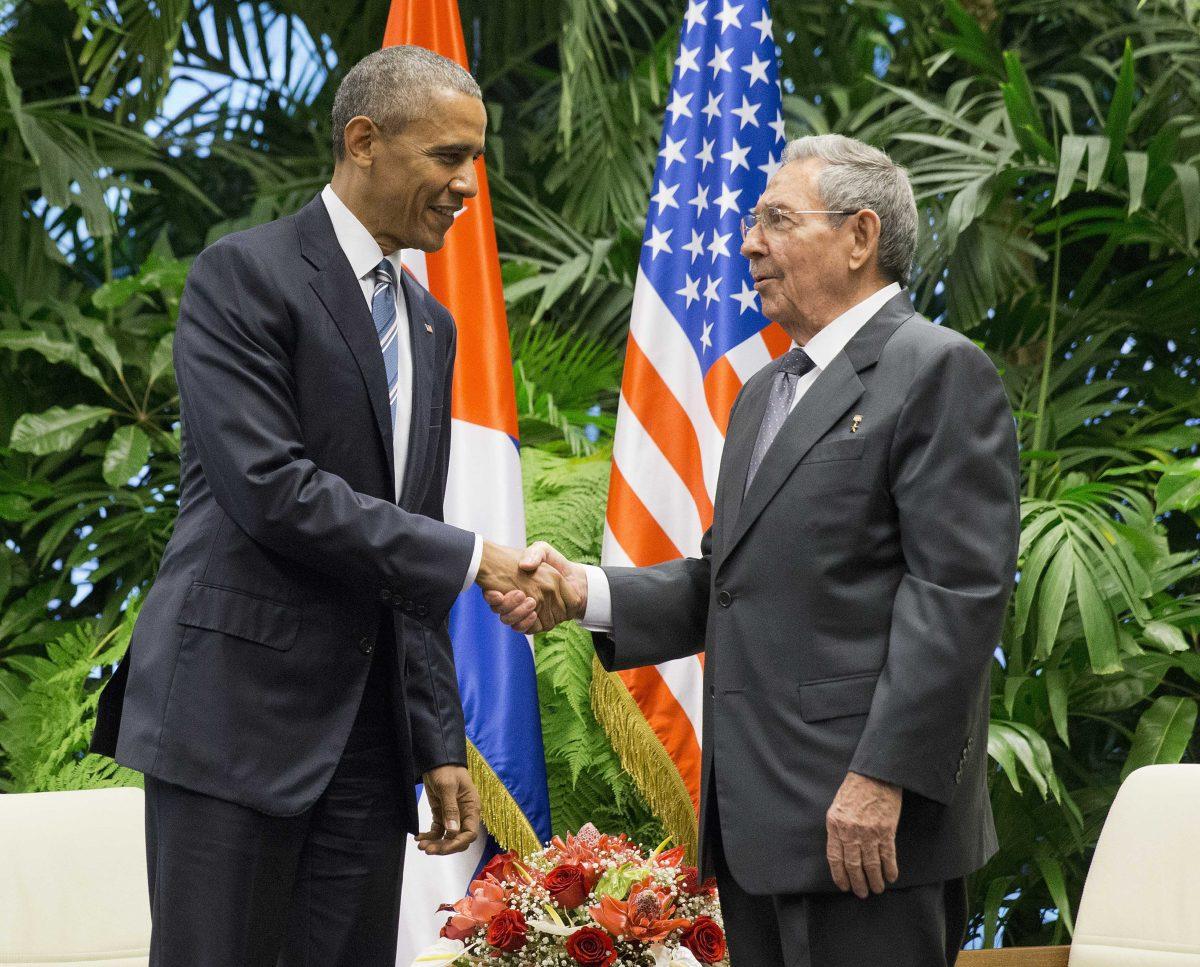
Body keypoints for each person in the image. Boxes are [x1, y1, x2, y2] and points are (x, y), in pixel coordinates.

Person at [90, 45, 576, 967]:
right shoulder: (246, 276)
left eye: (475, 159)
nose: (469, 185)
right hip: (235, 722)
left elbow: (404, 560)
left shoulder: (431, 326)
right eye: (448, 157)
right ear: (365, 140)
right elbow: (274, 492)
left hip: (364, 745)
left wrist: (437, 740)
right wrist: (476, 555)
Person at [489, 134, 1020, 966]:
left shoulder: (937, 370)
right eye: (749, 220)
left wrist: (882, 777)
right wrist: (582, 590)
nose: (747, 242)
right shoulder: (764, 394)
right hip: (758, 827)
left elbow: (955, 597)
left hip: (866, 832)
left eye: (777, 218)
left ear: (860, 236)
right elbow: (729, 583)